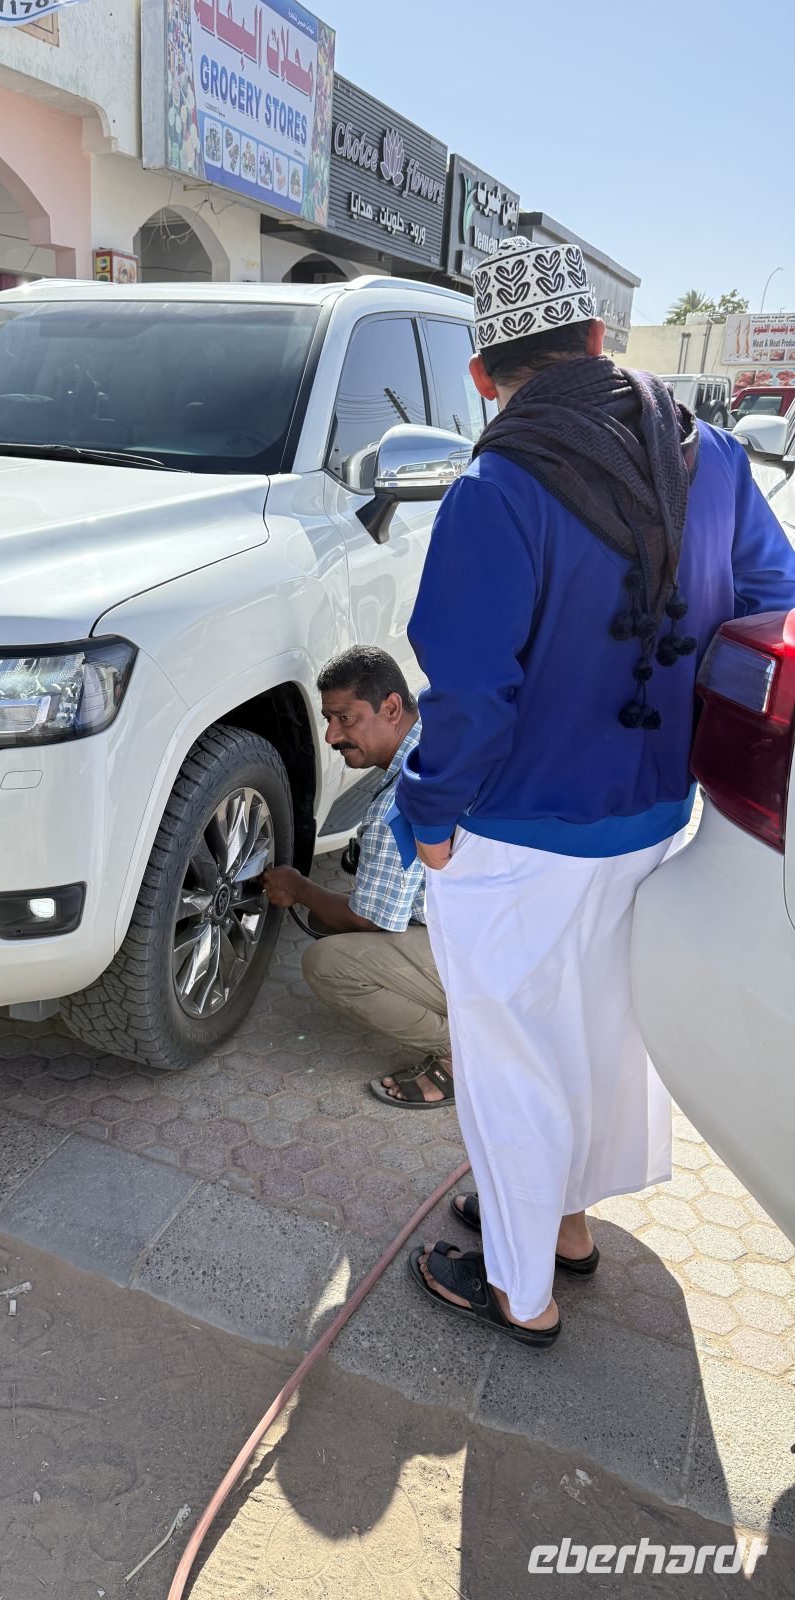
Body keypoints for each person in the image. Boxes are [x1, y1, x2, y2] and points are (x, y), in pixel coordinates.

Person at [393, 236, 795, 1349]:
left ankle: (521, 1292)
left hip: (516, 832)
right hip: (654, 821)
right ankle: (563, 1228)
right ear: (601, 339)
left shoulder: (497, 486)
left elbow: (469, 694)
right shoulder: (711, 457)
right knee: (596, 1035)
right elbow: (773, 599)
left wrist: (427, 814)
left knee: (513, 1056)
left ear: (484, 375)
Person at [261, 646, 452, 1109]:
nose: (331, 735)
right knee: (332, 918)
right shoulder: (443, 726)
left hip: (500, 962)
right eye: (328, 719)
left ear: (391, 708)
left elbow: (370, 921)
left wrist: (299, 888)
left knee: (328, 963)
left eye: (345, 718)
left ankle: (466, 1054)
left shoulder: (398, 806)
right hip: (527, 933)